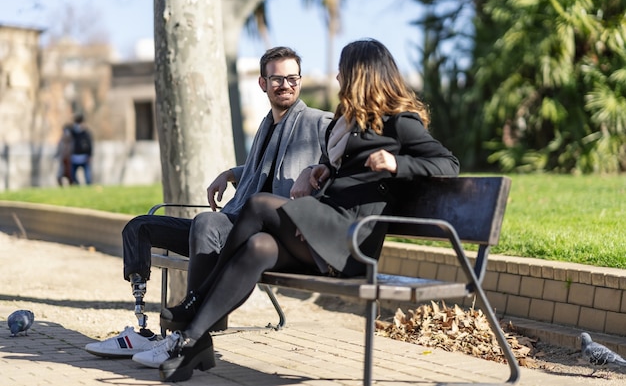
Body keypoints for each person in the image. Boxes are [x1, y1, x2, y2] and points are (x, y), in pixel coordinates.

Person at [150, 38, 461, 382]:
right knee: (258, 247)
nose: (339, 77)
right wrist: (322, 170)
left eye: (344, 70)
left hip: (350, 242)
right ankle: (194, 341)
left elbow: (448, 163)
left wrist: (396, 162)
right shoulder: (349, 123)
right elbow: (342, 174)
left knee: (258, 205)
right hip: (324, 228)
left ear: (362, 73)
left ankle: (195, 301)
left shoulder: (399, 123)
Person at [84, 46, 332, 359]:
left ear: (300, 80)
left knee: (206, 223)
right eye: (277, 79)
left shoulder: (318, 122)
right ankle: (143, 327)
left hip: (265, 232)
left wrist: (313, 185)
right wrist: (231, 173)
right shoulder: (268, 124)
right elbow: (266, 169)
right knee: (140, 227)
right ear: (263, 83)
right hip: (233, 222)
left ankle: (185, 334)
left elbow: (339, 165)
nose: (286, 85)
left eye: (292, 78)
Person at [69, 113, 93, 185]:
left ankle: (88, 186)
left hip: (84, 157)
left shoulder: (86, 133)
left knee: (87, 177)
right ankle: (77, 184)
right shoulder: (72, 132)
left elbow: (90, 145)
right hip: (74, 156)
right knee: (73, 176)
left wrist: (89, 155)